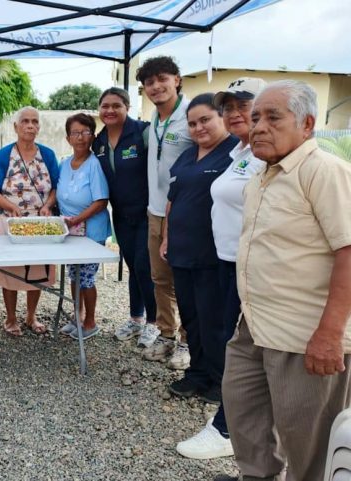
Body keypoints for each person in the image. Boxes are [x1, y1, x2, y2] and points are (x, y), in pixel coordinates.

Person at [216, 81, 351, 481]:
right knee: (244, 415)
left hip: (303, 334)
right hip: (254, 326)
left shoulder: (324, 171)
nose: (258, 126)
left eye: (273, 117)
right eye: (255, 117)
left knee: (308, 444)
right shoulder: (263, 175)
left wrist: (329, 334)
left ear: (307, 123)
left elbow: (348, 250)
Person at [176, 78, 266, 461]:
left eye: (241, 106)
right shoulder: (241, 154)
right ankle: (228, 416)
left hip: (247, 266)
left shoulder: (266, 154)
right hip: (226, 259)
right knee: (223, 333)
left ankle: (229, 425)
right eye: (228, 107)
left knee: (237, 341)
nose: (234, 113)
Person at [159, 93, 238, 406]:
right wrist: (166, 237)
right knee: (191, 318)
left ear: (221, 118)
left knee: (214, 320)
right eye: (192, 123)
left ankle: (220, 381)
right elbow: (172, 201)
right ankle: (197, 372)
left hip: (212, 255)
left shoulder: (234, 153)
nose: (198, 128)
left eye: (205, 119)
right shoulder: (187, 156)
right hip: (181, 251)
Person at [136, 56, 192, 369]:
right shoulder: (153, 121)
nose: (156, 86)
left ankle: (187, 340)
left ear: (177, 79)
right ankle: (167, 333)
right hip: (154, 211)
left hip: (184, 214)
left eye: (162, 79)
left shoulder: (192, 116)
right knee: (160, 279)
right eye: (149, 82)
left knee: (184, 279)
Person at [0, 106, 59, 337]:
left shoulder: (47, 154)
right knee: (11, 272)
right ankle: (10, 317)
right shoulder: (4, 154)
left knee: (37, 271)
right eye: (25, 121)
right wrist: (10, 207)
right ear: (15, 126)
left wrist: (47, 205)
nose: (30, 125)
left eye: (34, 121)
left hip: (40, 224)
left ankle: (31, 316)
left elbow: (56, 186)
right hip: (10, 222)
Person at [92, 87, 158, 348]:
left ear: (127, 107)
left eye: (116, 105)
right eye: (105, 106)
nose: (109, 110)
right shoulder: (98, 141)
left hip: (146, 213)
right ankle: (135, 318)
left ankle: (155, 323)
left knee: (145, 266)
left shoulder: (143, 132)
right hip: (120, 214)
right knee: (132, 265)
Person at [56, 113, 110, 340]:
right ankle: (76, 317)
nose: (80, 138)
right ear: (68, 138)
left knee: (86, 277)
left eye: (85, 132)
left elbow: (101, 201)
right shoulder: (64, 164)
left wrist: (77, 219)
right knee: (73, 274)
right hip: (69, 231)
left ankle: (90, 321)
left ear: (93, 136)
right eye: (75, 133)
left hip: (89, 230)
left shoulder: (94, 165)